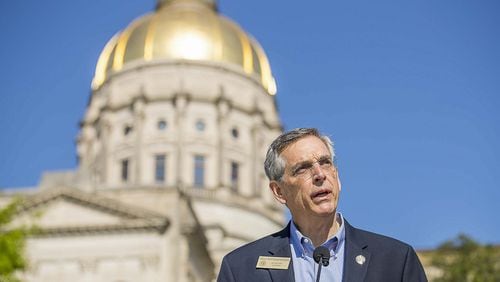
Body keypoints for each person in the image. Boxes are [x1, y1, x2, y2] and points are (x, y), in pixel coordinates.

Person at [217, 128, 427, 282]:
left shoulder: (396, 260)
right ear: (279, 192)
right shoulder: (240, 268)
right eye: (303, 169)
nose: (319, 174)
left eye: (325, 163)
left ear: (337, 176)